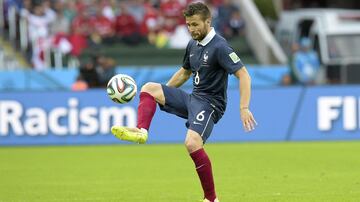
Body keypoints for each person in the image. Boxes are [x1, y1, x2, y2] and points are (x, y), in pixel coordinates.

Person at [111, 2, 257, 202]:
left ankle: (211, 199)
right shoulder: (192, 45)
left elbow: (244, 75)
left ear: (208, 21)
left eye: (195, 24)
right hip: (193, 99)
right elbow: (185, 72)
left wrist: (244, 107)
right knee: (149, 88)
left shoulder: (220, 47)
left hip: (210, 104)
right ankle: (142, 131)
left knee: (191, 142)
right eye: (188, 25)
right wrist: (165, 92)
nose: (191, 29)